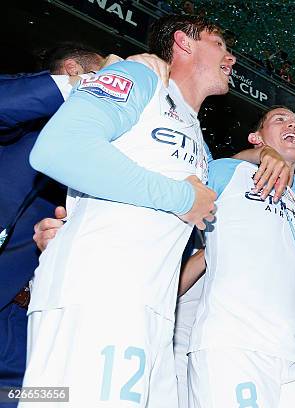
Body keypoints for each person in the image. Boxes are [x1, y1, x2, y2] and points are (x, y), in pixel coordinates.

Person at [20, 15, 236, 407]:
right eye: (219, 43)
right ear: (183, 43)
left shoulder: (198, 139)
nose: (231, 57)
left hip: (154, 317)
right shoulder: (140, 76)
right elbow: (59, 148)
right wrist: (183, 199)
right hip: (99, 299)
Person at [0, 42, 169, 406]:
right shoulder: (22, 112)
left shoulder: (102, 151)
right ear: (77, 71)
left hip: (27, 324)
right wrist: (98, 83)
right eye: (107, 77)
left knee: (38, 399)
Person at [187, 106, 295, 408]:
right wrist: (260, 154)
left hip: (293, 357)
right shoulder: (227, 170)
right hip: (234, 344)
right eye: (280, 120)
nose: (293, 125)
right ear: (255, 137)